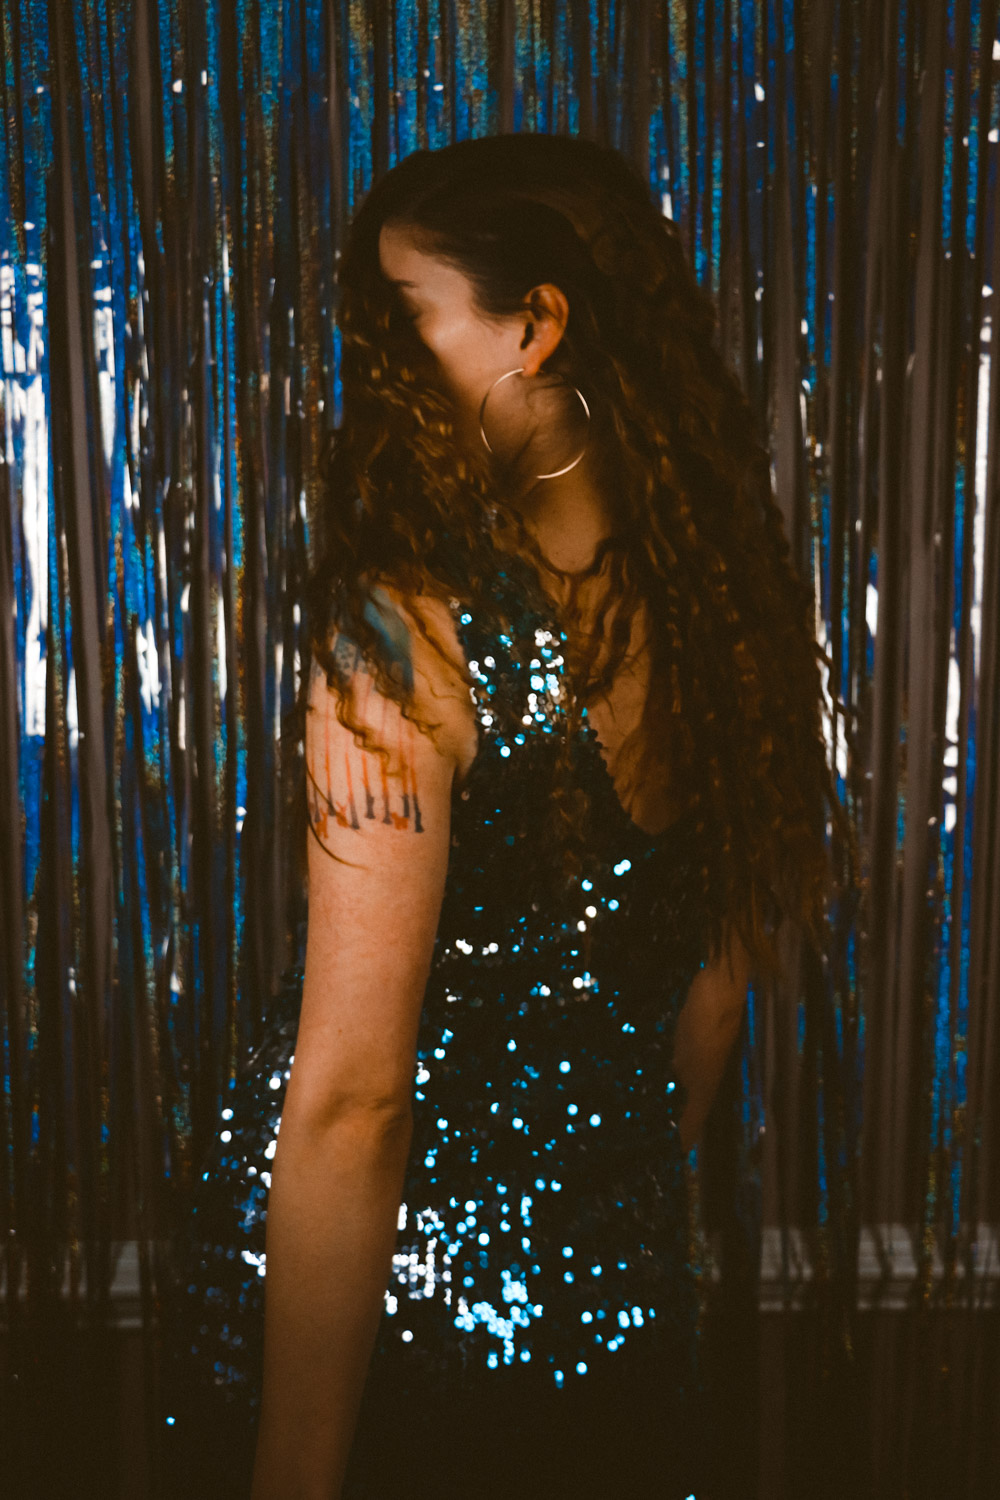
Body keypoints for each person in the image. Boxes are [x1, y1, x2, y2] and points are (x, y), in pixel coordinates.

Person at [166, 133, 850, 1500]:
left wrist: (293, 1474)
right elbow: (715, 1007)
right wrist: (588, 1225)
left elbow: (354, 1103)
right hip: (618, 1298)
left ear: (535, 326)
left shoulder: (405, 632)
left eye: (402, 315)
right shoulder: (734, 610)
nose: (369, 362)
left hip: (381, 1321)